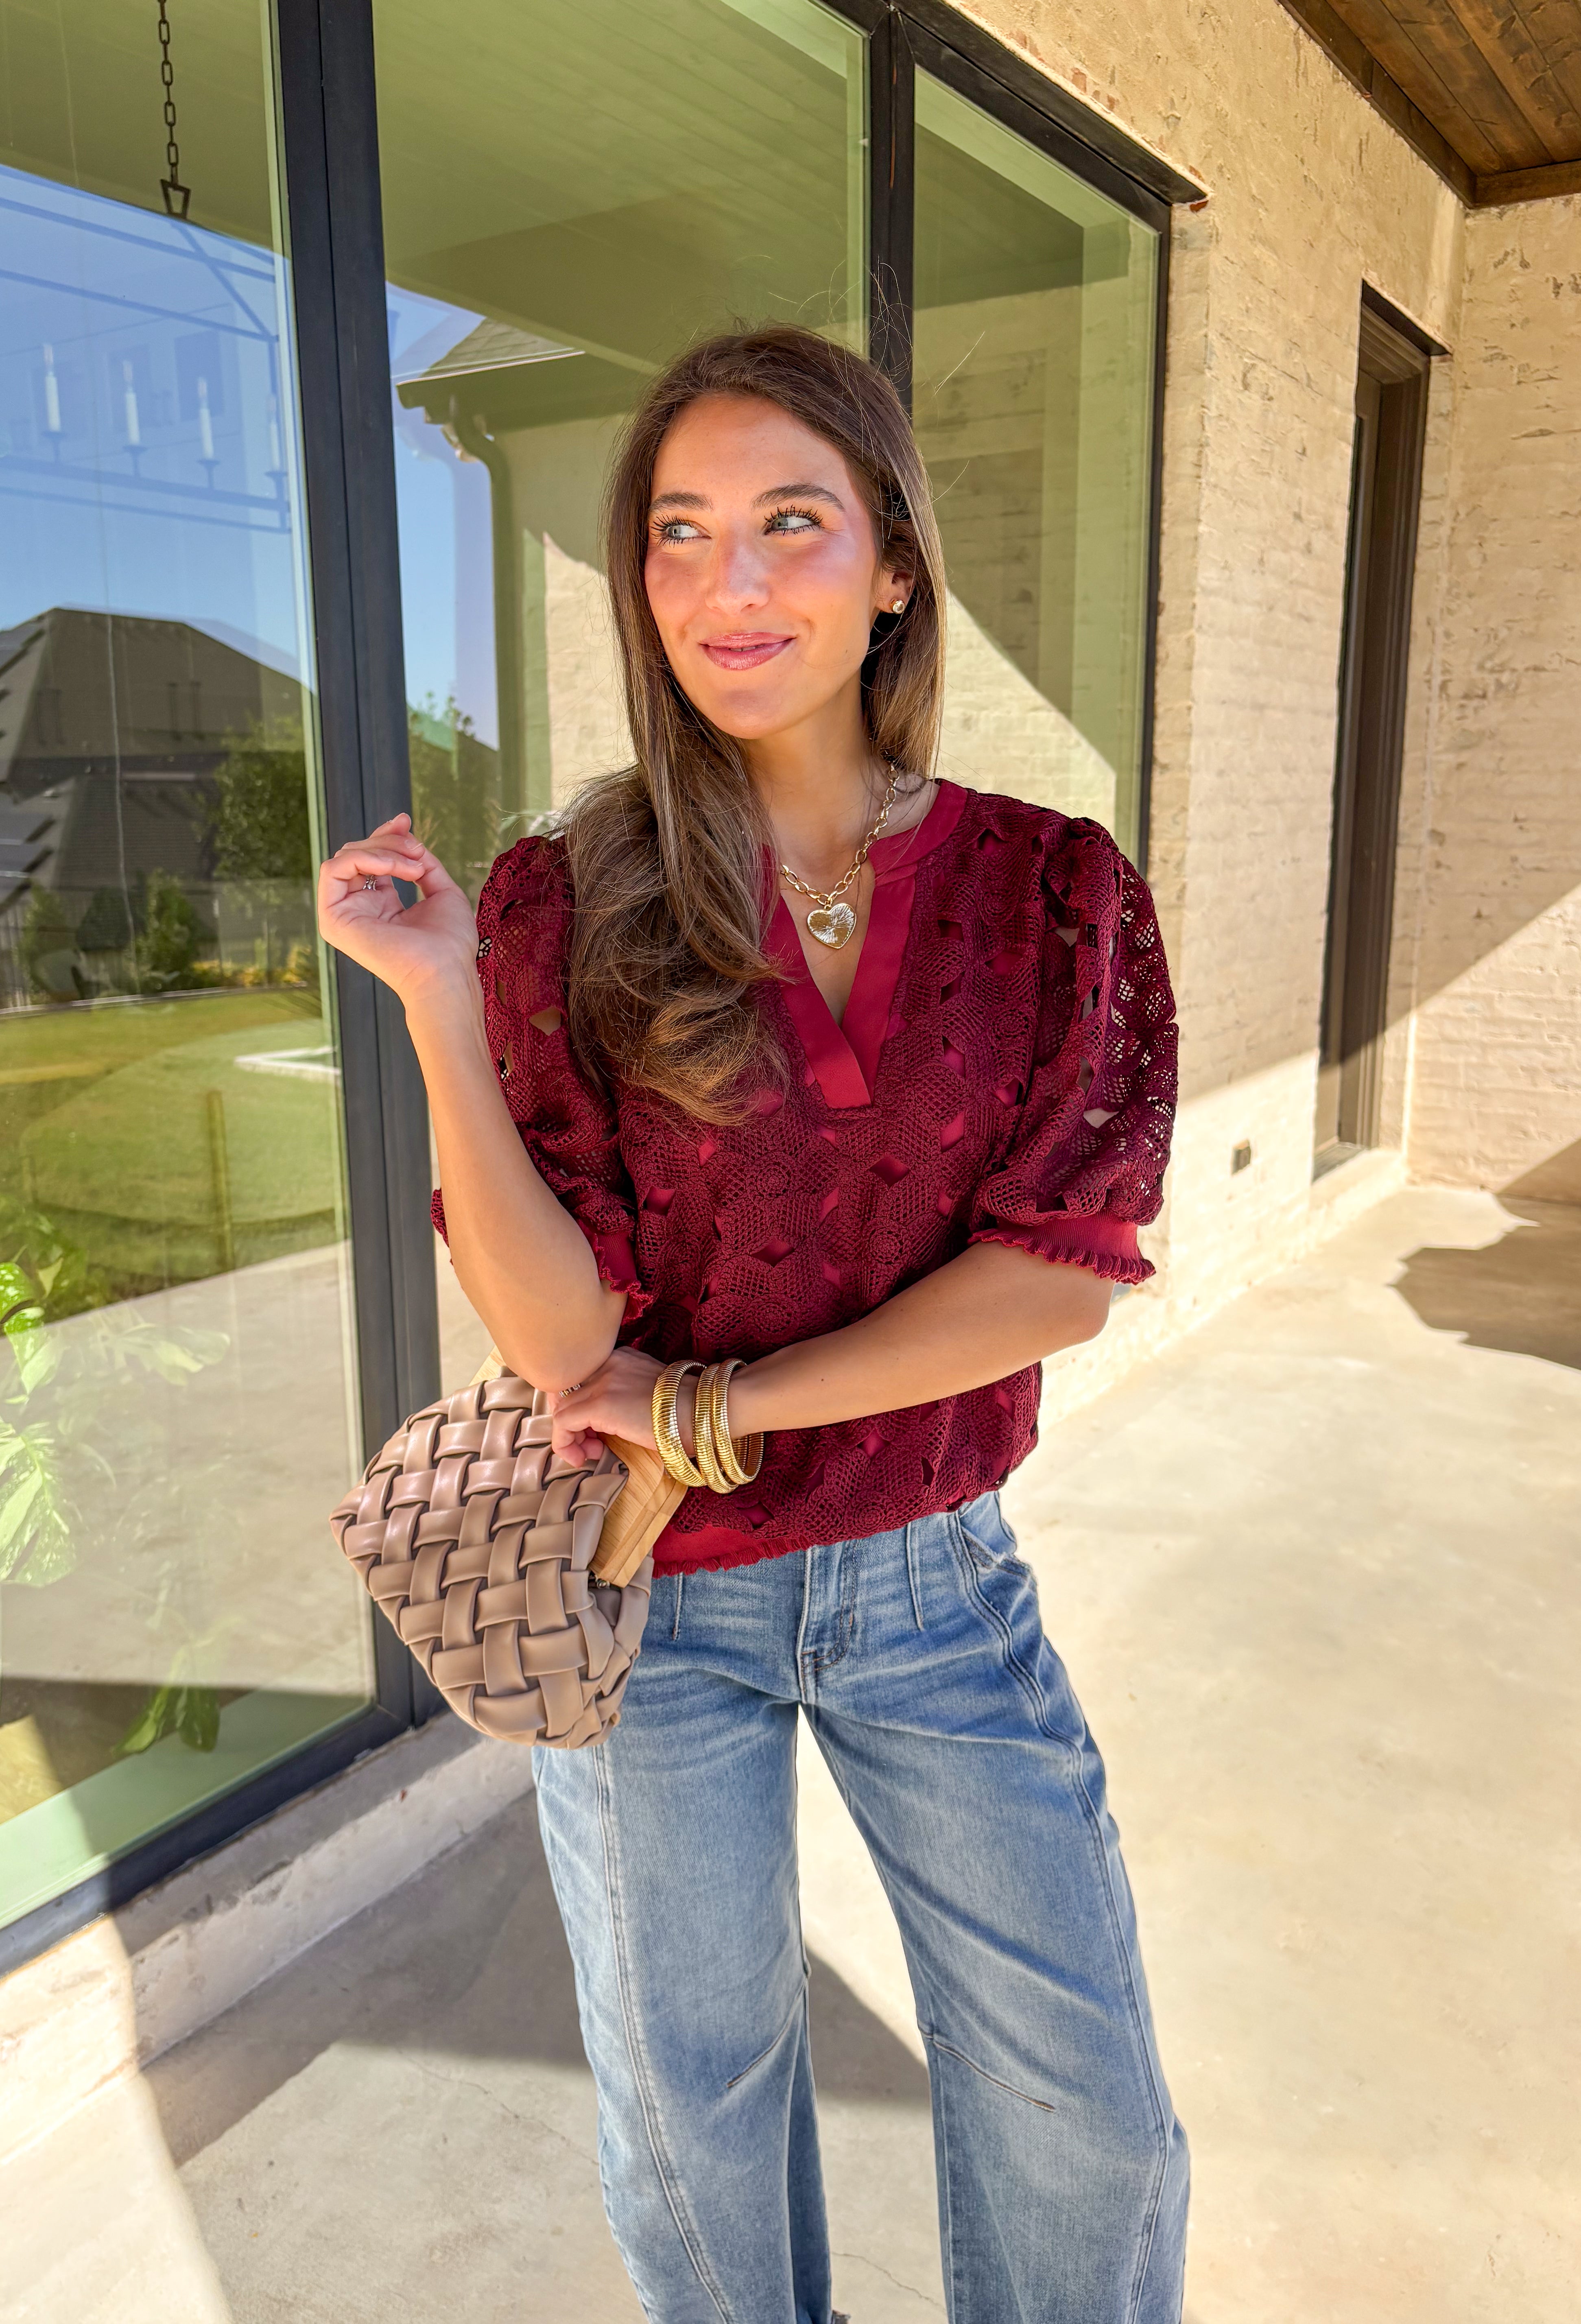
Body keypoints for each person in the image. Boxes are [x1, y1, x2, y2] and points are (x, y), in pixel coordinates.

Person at [318, 324, 1188, 2324]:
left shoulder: (1053, 894)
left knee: (1090, 2110)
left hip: (931, 1584)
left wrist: (722, 1400)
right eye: (681, 536)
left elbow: (1057, 1267)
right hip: (646, 1610)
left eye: (791, 525)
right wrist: (444, 1003)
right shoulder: (564, 896)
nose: (732, 586)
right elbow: (565, 1342)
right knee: (693, 2118)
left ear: (894, 563)